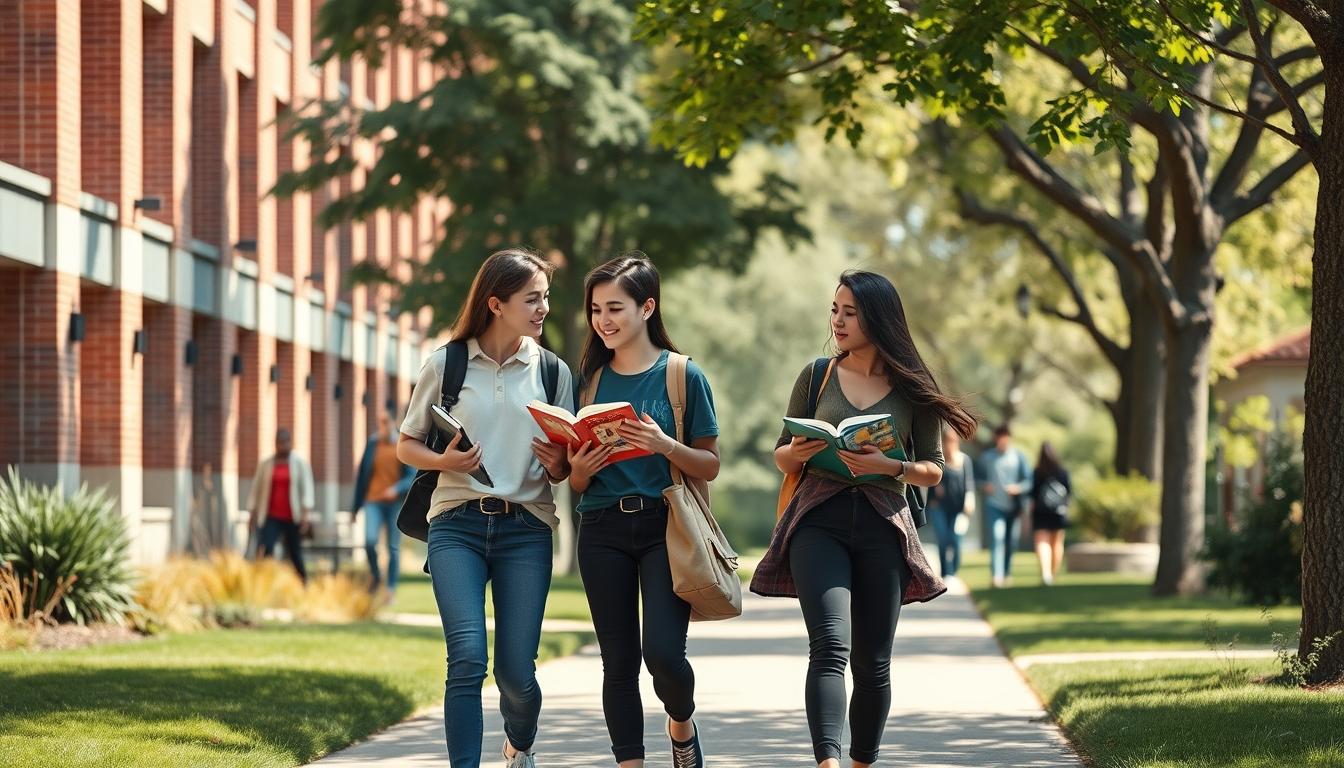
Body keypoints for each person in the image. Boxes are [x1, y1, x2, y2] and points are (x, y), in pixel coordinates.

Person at [753, 270, 977, 768]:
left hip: (884, 523)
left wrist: (889, 467)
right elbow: (781, 455)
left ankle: (860, 761)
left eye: (849, 312)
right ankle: (828, 762)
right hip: (818, 519)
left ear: (878, 318)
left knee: (873, 662)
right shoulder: (816, 375)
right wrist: (798, 451)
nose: (837, 320)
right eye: (834, 310)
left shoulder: (914, 388)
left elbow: (933, 469)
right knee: (829, 646)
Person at [396, 248, 574, 768]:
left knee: (516, 673)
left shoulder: (552, 371)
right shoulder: (446, 363)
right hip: (456, 525)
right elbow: (407, 445)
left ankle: (519, 743)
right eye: (532, 299)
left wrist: (560, 464)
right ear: (495, 304)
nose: (543, 308)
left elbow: (565, 464)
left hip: (527, 528)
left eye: (545, 297)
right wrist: (443, 459)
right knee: (467, 659)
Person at [568, 253, 720, 768]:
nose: (603, 321)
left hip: (665, 527)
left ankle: (681, 722)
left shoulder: (682, 375)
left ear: (647, 307)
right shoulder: (588, 380)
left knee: (663, 655)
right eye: (595, 310)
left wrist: (664, 445)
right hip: (601, 528)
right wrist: (580, 469)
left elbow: (710, 465)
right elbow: (576, 481)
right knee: (618, 663)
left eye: (615, 308)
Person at [352, 409, 414, 597]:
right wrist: (354, 508)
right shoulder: (372, 444)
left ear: (394, 422)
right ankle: (376, 576)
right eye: (380, 422)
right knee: (369, 541)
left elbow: (412, 476)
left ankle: (390, 588)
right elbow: (362, 476)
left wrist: (396, 489)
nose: (383, 425)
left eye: (386, 421)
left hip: (394, 503)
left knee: (393, 547)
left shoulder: (401, 444)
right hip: (372, 501)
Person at [246, 428, 315, 582]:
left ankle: (303, 582)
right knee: (266, 548)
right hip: (271, 516)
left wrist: (305, 515)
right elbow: (256, 489)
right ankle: (264, 582)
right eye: (280, 442)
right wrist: (252, 513)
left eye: (285, 442)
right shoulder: (266, 464)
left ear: (291, 442)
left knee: (295, 552)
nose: (283, 445)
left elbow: (307, 490)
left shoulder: (299, 463)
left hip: (293, 516)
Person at [979, 424, 1032, 588]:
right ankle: (996, 575)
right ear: (996, 438)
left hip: (1013, 507)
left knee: (1011, 542)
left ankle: (1007, 573)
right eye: (1000, 437)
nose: (1003, 440)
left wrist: (1018, 488)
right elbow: (977, 479)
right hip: (994, 505)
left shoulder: (1019, 457)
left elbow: (1029, 482)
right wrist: (984, 485)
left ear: (1009, 438)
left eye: (1005, 437)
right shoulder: (986, 458)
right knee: (997, 537)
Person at [928, 424, 976, 579]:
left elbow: (969, 484)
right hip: (939, 507)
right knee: (942, 539)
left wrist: (970, 500)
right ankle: (945, 572)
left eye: (952, 441)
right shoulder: (939, 460)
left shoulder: (964, 460)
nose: (949, 444)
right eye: (947, 441)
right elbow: (931, 480)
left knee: (955, 539)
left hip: (958, 508)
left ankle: (953, 570)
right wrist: (935, 491)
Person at [1029, 442, 1071, 585]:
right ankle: (1053, 574)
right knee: (1057, 543)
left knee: (1042, 542)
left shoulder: (1037, 473)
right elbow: (1068, 494)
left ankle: (1046, 574)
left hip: (1041, 513)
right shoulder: (1063, 473)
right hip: (1059, 512)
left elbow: (1032, 495)